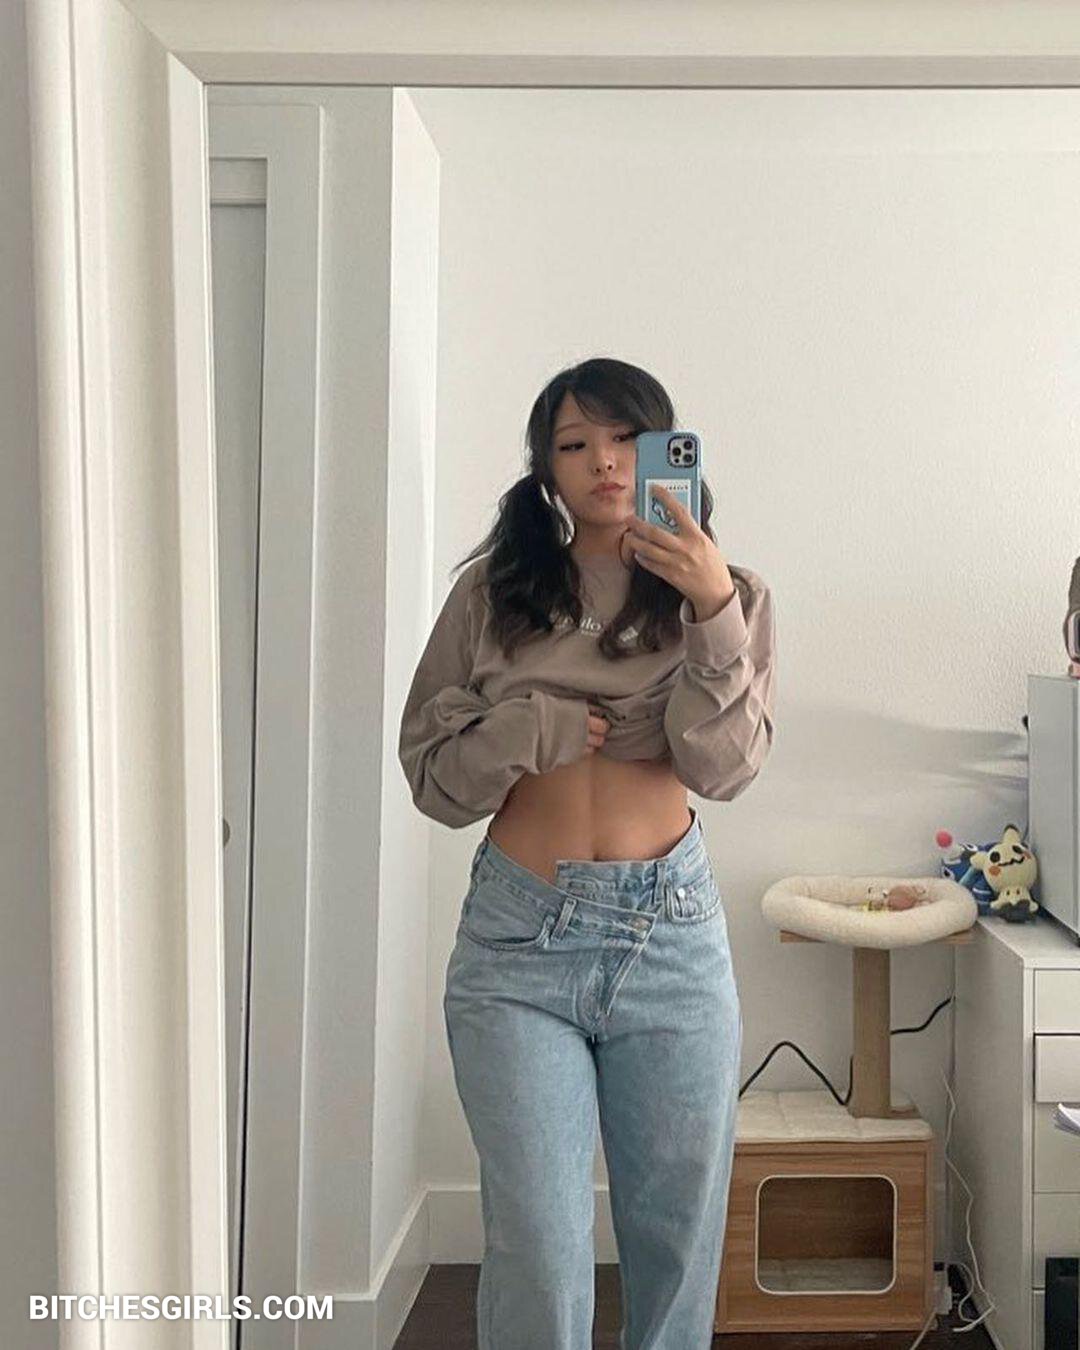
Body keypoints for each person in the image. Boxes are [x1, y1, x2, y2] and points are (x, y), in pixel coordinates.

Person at [397, 355, 776, 1349]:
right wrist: (526, 729)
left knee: (677, 1233)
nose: (604, 462)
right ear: (546, 471)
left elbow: (725, 768)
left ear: (668, 452)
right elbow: (432, 778)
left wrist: (711, 610)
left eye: (626, 440)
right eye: (575, 444)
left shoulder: (731, 594)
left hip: (671, 938)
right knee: (540, 1239)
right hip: (519, 939)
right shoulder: (493, 595)